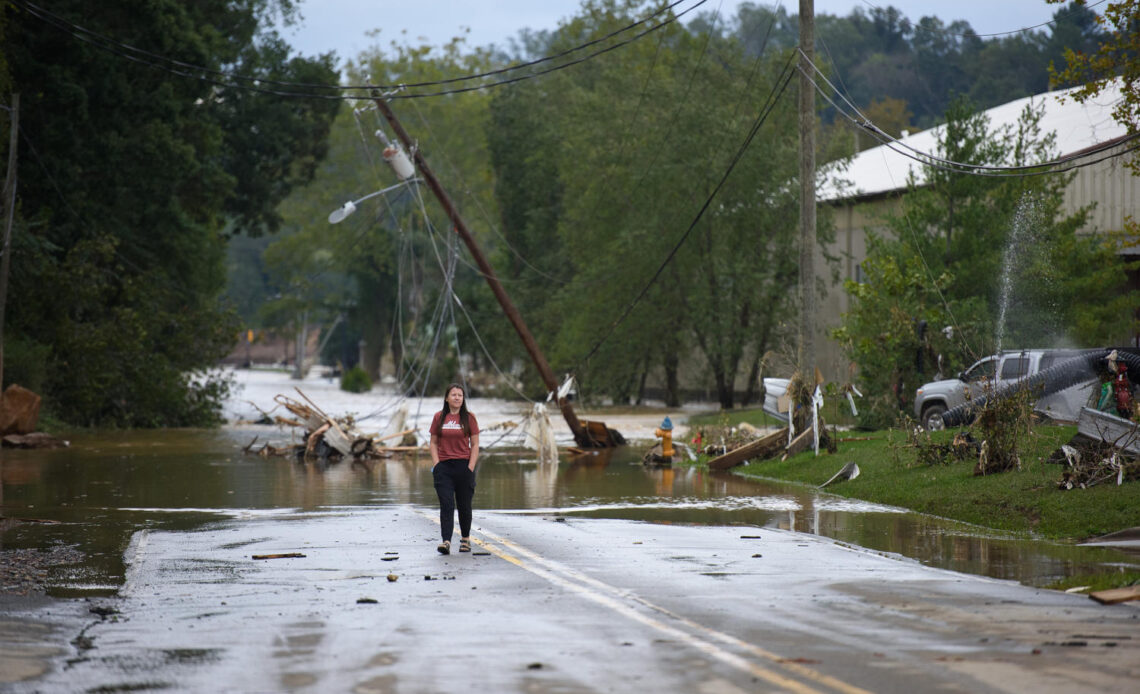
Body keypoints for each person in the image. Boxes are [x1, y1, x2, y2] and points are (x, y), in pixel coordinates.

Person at [429, 383, 480, 555]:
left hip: (464, 467)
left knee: (464, 505)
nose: (457, 397)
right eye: (453, 395)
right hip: (444, 468)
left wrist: (471, 467)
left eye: (460, 395)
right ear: (446, 398)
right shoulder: (439, 417)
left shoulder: (469, 418)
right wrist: (436, 464)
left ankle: (465, 539)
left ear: (463, 398)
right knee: (447, 504)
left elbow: (475, 444)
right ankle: (446, 542)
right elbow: (433, 442)